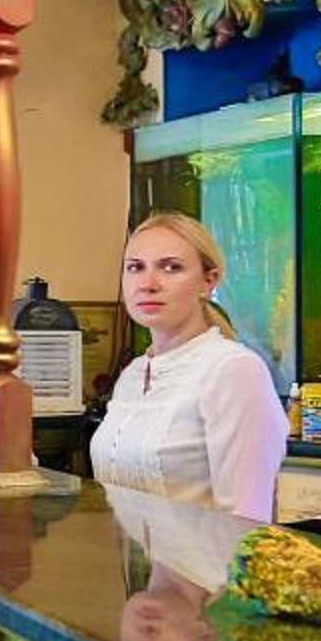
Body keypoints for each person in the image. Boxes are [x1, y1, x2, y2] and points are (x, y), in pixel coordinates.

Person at [89, 212, 288, 521]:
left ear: (209, 281)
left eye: (171, 267)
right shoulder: (132, 375)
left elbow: (246, 519)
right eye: (135, 267)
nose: (148, 284)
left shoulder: (233, 371)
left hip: (206, 555)